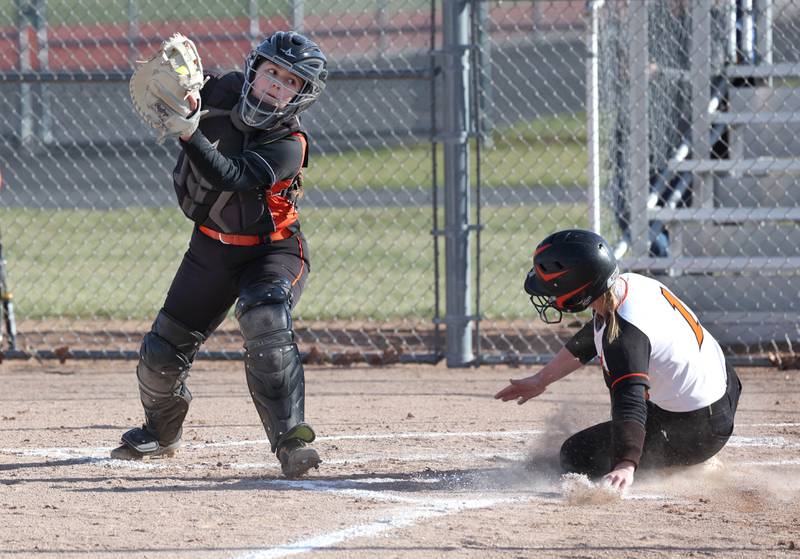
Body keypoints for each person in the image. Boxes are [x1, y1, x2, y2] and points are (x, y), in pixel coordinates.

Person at [111, 31, 328, 478]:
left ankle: (290, 441)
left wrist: (189, 132)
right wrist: (183, 98)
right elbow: (177, 91)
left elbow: (228, 176)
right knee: (159, 358)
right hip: (210, 247)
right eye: (271, 72)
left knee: (264, 316)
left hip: (272, 251)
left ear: (302, 95)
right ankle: (162, 431)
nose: (276, 86)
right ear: (254, 69)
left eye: (290, 82)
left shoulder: (290, 143)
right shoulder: (220, 92)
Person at [495, 229, 742, 491]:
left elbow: (630, 400)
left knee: (575, 454)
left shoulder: (623, 337)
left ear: (578, 292)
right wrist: (541, 379)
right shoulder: (628, 284)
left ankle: (688, 463)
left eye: (554, 289)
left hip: (699, 432)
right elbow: (592, 336)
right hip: (725, 386)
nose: (549, 296)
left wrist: (625, 463)